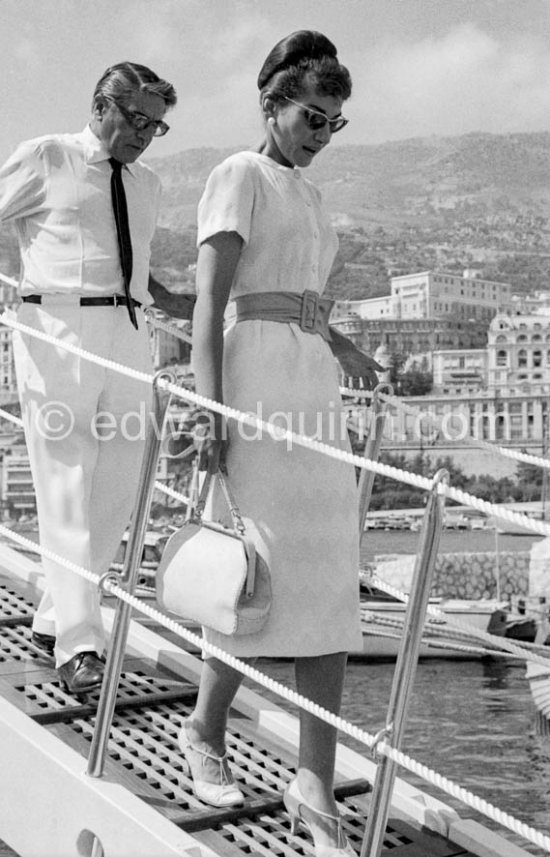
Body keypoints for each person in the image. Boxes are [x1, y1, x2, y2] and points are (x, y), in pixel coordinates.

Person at [185, 31, 368, 857]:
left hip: (312, 390)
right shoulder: (239, 175)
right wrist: (209, 408)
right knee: (254, 574)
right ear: (272, 104)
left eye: (333, 122)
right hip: (255, 389)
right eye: (309, 115)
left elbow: (306, 299)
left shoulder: (313, 197)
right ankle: (204, 727)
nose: (319, 132)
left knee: (328, 581)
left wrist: (348, 348)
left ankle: (313, 781)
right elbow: (210, 302)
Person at [0, 61, 191, 694]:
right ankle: (80, 642)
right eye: (137, 119)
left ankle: (56, 614)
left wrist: (175, 299)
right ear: (100, 106)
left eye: (156, 126)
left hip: (130, 333)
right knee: (65, 476)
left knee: (118, 482)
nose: (143, 134)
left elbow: (125, 258)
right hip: (55, 328)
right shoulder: (46, 157)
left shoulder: (148, 183)